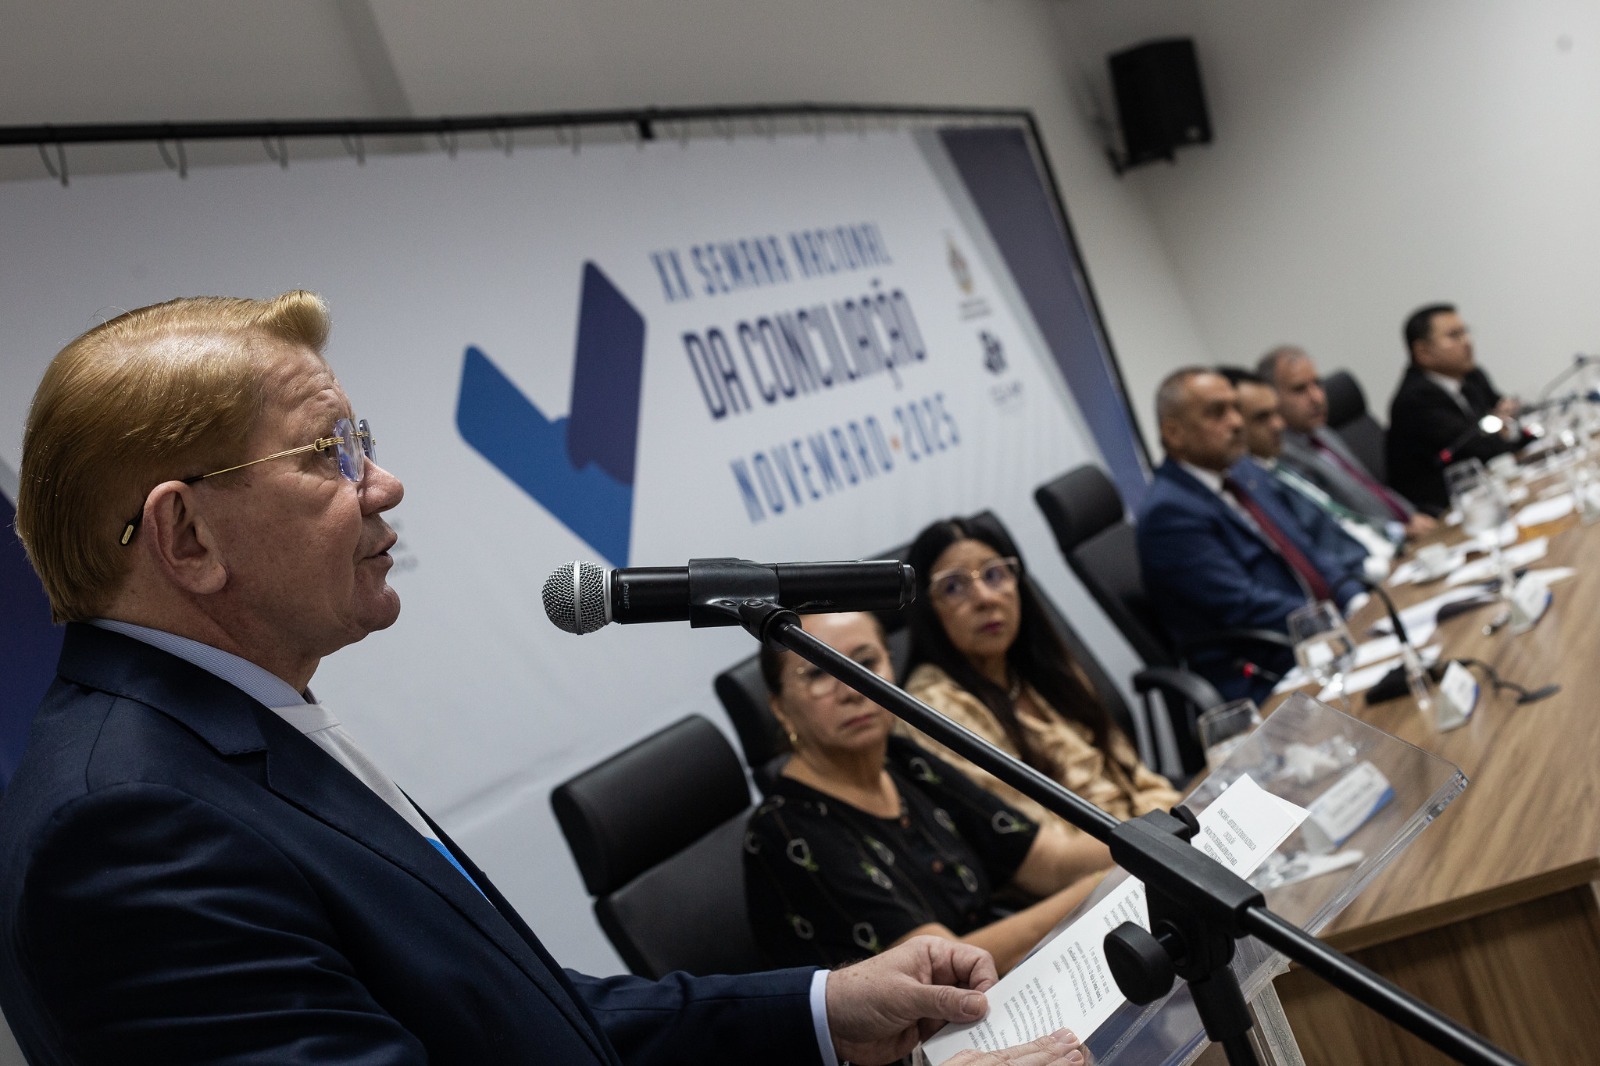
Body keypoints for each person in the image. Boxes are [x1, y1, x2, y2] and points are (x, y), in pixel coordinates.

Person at [0, 292, 1087, 1066]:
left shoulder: (236, 736)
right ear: (185, 535)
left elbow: (526, 1020)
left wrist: (819, 1009)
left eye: (362, 440)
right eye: (326, 452)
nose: (382, 483)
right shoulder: (129, 827)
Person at [745, 611, 1109, 976]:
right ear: (780, 709)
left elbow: (1050, 861)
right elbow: (943, 967)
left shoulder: (905, 759)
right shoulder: (787, 831)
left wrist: (1153, 836)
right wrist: (1102, 883)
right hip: (931, 1022)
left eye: (865, 662)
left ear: (891, 668)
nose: (852, 689)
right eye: (818, 673)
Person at [897, 513, 1180, 836]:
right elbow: (1042, 843)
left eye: (994, 574)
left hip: (1150, 842)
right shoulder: (936, 708)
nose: (985, 599)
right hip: (1096, 868)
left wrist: (1180, 822)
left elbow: (1135, 777)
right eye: (953, 586)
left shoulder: (1038, 666)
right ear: (928, 611)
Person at [1135, 368, 1367, 703]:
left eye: (1234, 408)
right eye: (1217, 413)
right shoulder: (1169, 514)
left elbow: (1304, 546)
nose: (1236, 422)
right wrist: (1328, 622)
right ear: (1174, 433)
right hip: (1267, 672)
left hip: (1320, 637)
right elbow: (1243, 605)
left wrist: (1354, 598)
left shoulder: (1243, 472)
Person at [1221, 367, 1394, 572]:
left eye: (1277, 413)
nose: (1278, 425)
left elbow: (1339, 519)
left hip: (1378, 556)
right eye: (1261, 417)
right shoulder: (1255, 483)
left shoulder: (1275, 465)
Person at [1256, 345, 1435, 540]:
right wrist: (1402, 532)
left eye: (1317, 384)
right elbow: (1338, 520)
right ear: (1271, 398)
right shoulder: (1282, 457)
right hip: (1384, 547)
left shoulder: (1321, 432)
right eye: (1300, 389)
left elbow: (1373, 488)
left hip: (1413, 526)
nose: (1317, 397)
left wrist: (1412, 514)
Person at [1386, 304, 1526, 514]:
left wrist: (1505, 424)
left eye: (1465, 332)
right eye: (1454, 335)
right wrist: (1501, 426)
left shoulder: (1471, 376)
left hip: (1490, 490)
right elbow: (1480, 450)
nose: (1467, 342)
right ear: (1423, 352)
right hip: (1447, 512)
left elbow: (1512, 415)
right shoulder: (1414, 401)